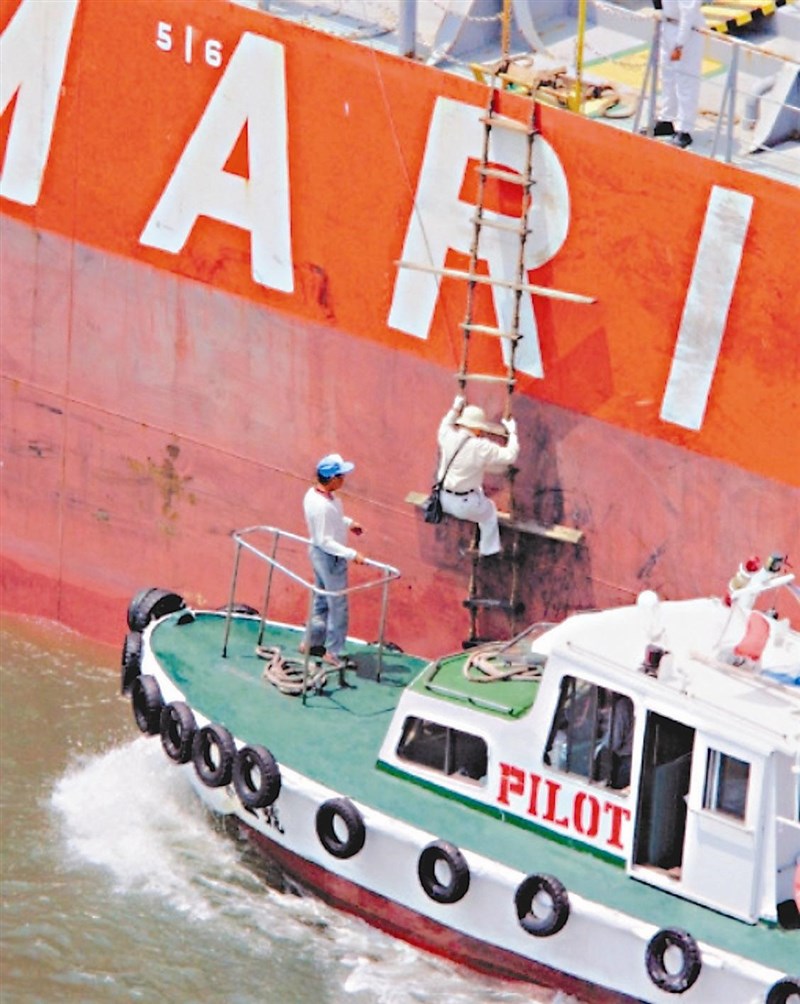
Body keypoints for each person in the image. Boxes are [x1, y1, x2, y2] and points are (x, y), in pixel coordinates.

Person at [303, 453, 365, 668]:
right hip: (329, 558)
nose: (343, 479)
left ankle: (311, 641)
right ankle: (333, 651)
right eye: (340, 476)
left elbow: (332, 520)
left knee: (321, 600)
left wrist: (348, 523)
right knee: (338, 606)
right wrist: (352, 554)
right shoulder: (322, 506)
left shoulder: (321, 497)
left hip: (320, 555)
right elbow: (324, 540)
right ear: (331, 479)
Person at [436, 395, 519, 556]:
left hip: (442, 499)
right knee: (489, 512)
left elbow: (445, 423)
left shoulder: (447, 435)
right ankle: (489, 550)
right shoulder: (480, 447)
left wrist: (455, 408)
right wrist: (512, 432)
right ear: (477, 427)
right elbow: (510, 456)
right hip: (464, 504)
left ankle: (482, 542)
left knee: (477, 492)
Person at [652, 0, 705, 148]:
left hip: (688, 32)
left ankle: (685, 129)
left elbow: (688, 13)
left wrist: (679, 44)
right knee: (667, 77)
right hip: (668, 25)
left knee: (686, 82)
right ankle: (666, 119)